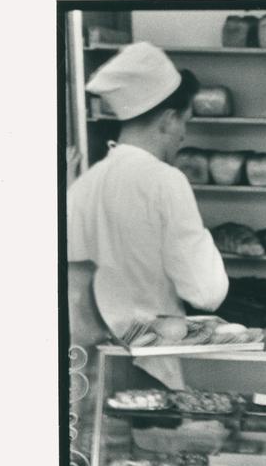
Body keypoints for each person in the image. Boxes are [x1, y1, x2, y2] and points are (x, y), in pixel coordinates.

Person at [67, 42, 228, 388]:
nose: (184, 135)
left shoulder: (84, 185)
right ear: (168, 120)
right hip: (149, 367)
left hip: (95, 367)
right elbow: (206, 292)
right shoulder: (166, 181)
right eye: (185, 121)